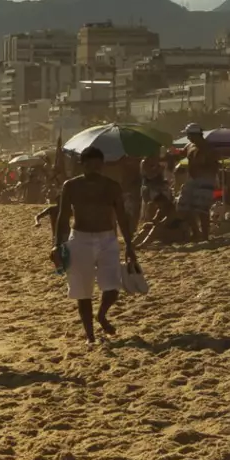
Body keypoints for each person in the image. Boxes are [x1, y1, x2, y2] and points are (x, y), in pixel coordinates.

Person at [55, 144, 138, 343]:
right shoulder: (71, 186)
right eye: (89, 165)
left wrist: (129, 245)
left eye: (97, 165)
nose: (94, 169)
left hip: (107, 238)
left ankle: (101, 315)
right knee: (83, 291)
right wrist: (58, 244)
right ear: (82, 165)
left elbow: (122, 218)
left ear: (102, 165)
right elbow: (63, 216)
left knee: (112, 286)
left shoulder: (111, 186)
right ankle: (90, 335)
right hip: (80, 238)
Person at [178, 125, 218, 241]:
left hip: (205, 179)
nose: (187, 137)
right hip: (192, 179)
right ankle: (196, 232)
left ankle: (205, 235)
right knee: (183, 207)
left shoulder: (208, 148)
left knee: (201, 209)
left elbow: (215, 165)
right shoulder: (190, 145)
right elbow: (183, 154)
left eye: (189, 135)